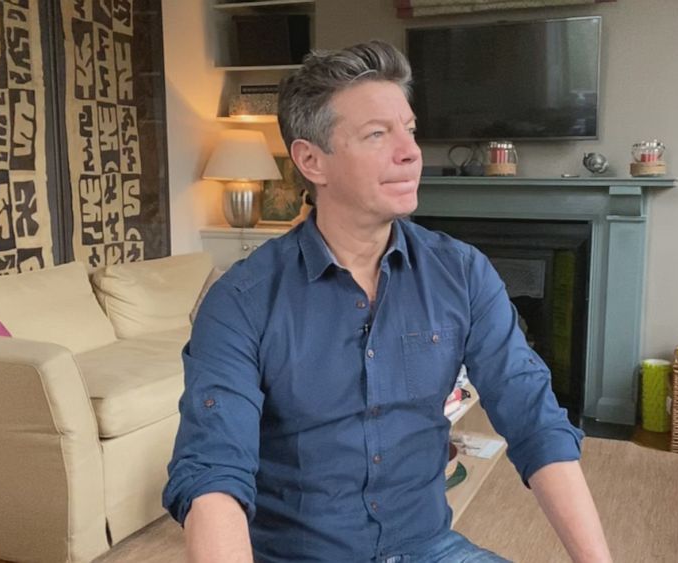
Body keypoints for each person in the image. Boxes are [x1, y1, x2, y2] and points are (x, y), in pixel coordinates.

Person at [163, 40, 612, 563]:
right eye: (378, 134)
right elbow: (214, 474)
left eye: (410, 130)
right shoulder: (240, 301)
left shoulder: (461, 273)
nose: (411, 151)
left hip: (429, 548)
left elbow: (533, 417)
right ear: (312, 160)